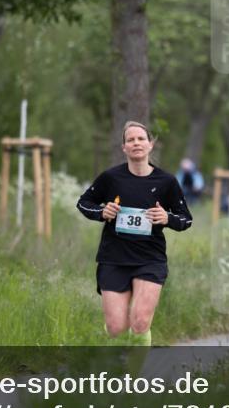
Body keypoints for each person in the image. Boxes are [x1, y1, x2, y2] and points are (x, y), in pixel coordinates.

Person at [76, 121, 192, 346]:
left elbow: (186, 219)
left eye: (141, 139)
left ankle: (135, 377)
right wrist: (102, 212)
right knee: (116, 328)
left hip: (150, 259)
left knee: (139, 322)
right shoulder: (111, 178)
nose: (136, 143)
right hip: (114, 258)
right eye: (130, 139)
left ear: (150, 145)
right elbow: (83, 203)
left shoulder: (166, 181)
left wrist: (167, 218)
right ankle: (116, 364)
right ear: (124, 148)